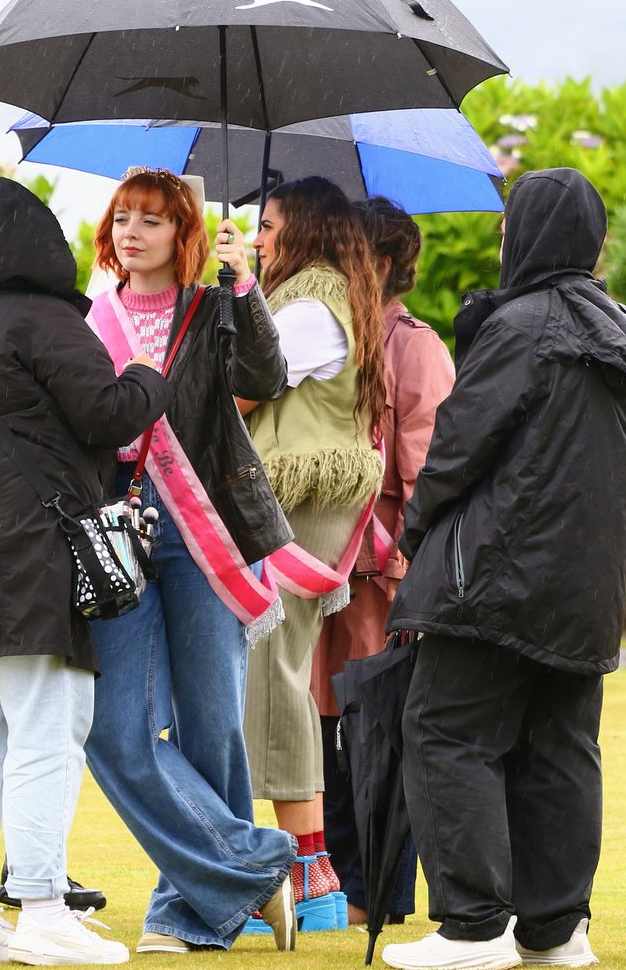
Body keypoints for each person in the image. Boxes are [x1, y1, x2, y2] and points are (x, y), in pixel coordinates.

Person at [380, 168, 626, 970]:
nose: (504, 238)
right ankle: (553, 932)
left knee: (444, 728)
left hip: (498, 577)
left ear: (529, 235)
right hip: (585, 581)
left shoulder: (523, 326)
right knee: (559, 748)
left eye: (512, 225)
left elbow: (457, 447)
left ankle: (474, 926)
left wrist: (413, 529)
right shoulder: (615, 331)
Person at [0, 173, 172, 965]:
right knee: (48, 729)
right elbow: (109, 415)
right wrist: (152, 377)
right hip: (25, 545)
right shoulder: (46, 316)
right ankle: (44, 911)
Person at [82, 168, 298, 954]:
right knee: (117, 726)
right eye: (124, 218)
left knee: (212, 724)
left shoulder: (212, 306)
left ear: (184, 234)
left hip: (208, 532)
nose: (134, 232)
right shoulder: (89, 314)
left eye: (153, 221)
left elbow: (264, 379)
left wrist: (246, 289)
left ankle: (188, 909)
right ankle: (256, 868)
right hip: (121, 533)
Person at [240, 176, 386, 930]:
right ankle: (309, 871)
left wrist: (234, 297)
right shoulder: (331, 295)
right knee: (277, 673)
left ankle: (308, 873)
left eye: (266, 225)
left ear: (302, 230)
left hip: (291, 505)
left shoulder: (305, 306)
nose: (258, 237)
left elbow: (239, 390)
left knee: (273, 674)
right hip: (302, 505)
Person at [309, 198, 455, 927]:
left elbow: (431, 471)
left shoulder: (415, 345)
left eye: (348, 256)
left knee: (376, 737)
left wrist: (396, 558)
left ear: (387, 263)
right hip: (319, 571)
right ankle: (340, 893)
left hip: (378, 580)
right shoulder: (335, 337)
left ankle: (378, 900)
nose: (334, 270)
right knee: (326, 736)